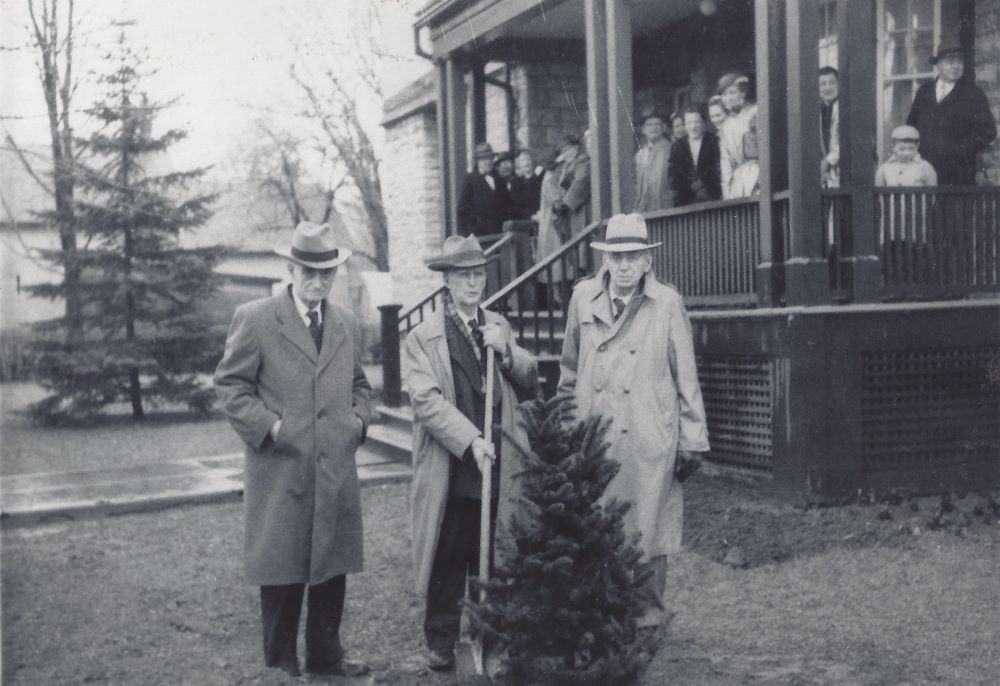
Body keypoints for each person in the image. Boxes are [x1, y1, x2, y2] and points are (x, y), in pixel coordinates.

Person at [214, 221, 372, 678]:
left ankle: (327, 657)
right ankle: (280, 667)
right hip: (281, 471)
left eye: (327, 274)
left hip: (334, 471)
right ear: (290, 269)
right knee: (282, 572)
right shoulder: (256, 317)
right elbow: (231, 386)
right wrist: (274, 428)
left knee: (331, 567)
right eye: (308, 272)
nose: (318, 282)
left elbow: (360, 385)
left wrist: (357, 422)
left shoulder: (342, 322)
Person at [557, 213, 710, 629]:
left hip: (647, 434)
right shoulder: (582, 299)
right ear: (605, 260)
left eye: (634, 257)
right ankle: (604, 617)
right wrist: (565, 426)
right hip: (596, 435)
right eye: (617, 256)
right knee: (599, 525)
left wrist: (692, 438)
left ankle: (648, 617)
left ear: (647, 261)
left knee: (649, 528)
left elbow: (686, 377)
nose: (624, 266)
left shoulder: (667, 304)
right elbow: (569, 369)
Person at [402, 235, 538, 671]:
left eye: (478, 275)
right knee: (450, 550)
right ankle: (442, 640)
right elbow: (427, 402)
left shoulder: (497, 325)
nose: (473, 283)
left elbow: (530, 380)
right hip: (454, 459)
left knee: (494, 550)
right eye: (464, 276)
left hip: (497, 455)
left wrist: (509, 352)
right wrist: (469, 440)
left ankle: (489, 634)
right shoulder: (422, 336)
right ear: (447, 282)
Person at [905, 40, 996, 185]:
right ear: (938, 64)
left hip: (959, 173)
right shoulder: (924, 92)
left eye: (960, 61)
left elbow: (988, 131)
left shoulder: (973, 94)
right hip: (923, 172)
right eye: (950, 60)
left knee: (954, 207)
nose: (956, 66)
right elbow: (911, 126)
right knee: (925, 207)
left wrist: (960, 149)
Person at [669, 105, 722, 206]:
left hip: (711, 197)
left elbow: (718, 169)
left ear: (704, 123)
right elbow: (673, 175)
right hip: (686, 200)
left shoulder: (713, 141)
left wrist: (703, 184)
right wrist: (690, 189)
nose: (693, 127)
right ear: (685, 125)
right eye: (689, 123)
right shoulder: (677, 146)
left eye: (697, 122)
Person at [717, 73, 758, 198]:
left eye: (732, 92)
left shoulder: (755, 113)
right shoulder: (726, 125)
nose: (728, 98)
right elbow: (725, 162)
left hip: (757, 176)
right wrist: (727, 192)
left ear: (743, 93)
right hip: (738, 183)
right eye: (724, 94)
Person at [457, 142, 510, 236]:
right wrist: (467, 236)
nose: (488, 162)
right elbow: (462, 210)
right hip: (478, 235)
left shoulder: (500, 180)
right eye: (484, 159)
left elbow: (507, 207)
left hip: (499, 234)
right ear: (478, 161)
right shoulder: (470, 180)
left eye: (490, 158)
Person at [634, 108, 674, 212]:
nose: (653, 128)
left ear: (664, 128)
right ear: (643, 130)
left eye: (657, 124)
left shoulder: (671, 149)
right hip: (644, 208)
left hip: (666, 206)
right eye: (649, 125)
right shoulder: (640, 155)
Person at [552, 133, 591, 238]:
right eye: (563, 152)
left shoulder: (583, 161)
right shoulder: (565, 167)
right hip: (570, 212)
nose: (566, 154)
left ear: (577, 147)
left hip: (581, 209)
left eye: (569, 149)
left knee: (581, 238)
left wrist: (565, 204)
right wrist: (557, 202)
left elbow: (579, 184)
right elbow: (560, 187)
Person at [819, 66, 841, 188]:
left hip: (843, 168)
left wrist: (828, 161)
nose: (827, 87)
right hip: (824, 174)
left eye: (832, 82)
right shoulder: (817, 111)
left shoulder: (844, 108)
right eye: (823, 84)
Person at [511, 148, 543, 220]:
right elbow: (517, 206)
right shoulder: (516, 183)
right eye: (522, 160)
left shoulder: (540, 179)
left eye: (528, 159)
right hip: (526, 221)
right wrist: (531, 216)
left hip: (543, 217)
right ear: (518, 164)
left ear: (532, 161)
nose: (526, 163)